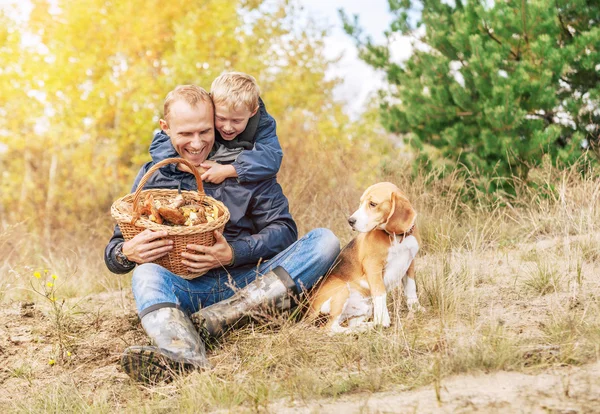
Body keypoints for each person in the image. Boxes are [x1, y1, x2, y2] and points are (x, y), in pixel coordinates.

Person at [104, 85, 340, 383]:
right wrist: (127, 253)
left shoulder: (243, 166)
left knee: (325, 241)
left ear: (215, 120)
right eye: (186, 134)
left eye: (205, 131)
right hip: (189, 290)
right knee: (145, 275)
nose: (197, 142)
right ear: (166, 128)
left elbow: (284, 231)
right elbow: (113, 251)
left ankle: (223, 318)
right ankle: (184, 352)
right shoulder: (155, 174)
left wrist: (232, 253)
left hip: (251, 281)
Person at [150, 72, 282, 185]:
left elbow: (271, 157)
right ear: (212, 106)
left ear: (252, 112)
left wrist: (227, 170)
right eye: (221, 118)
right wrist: (188, 167)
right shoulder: (204, 113)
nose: (227, 127)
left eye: (236, 121)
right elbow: (159, 145)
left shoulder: (263, 124)